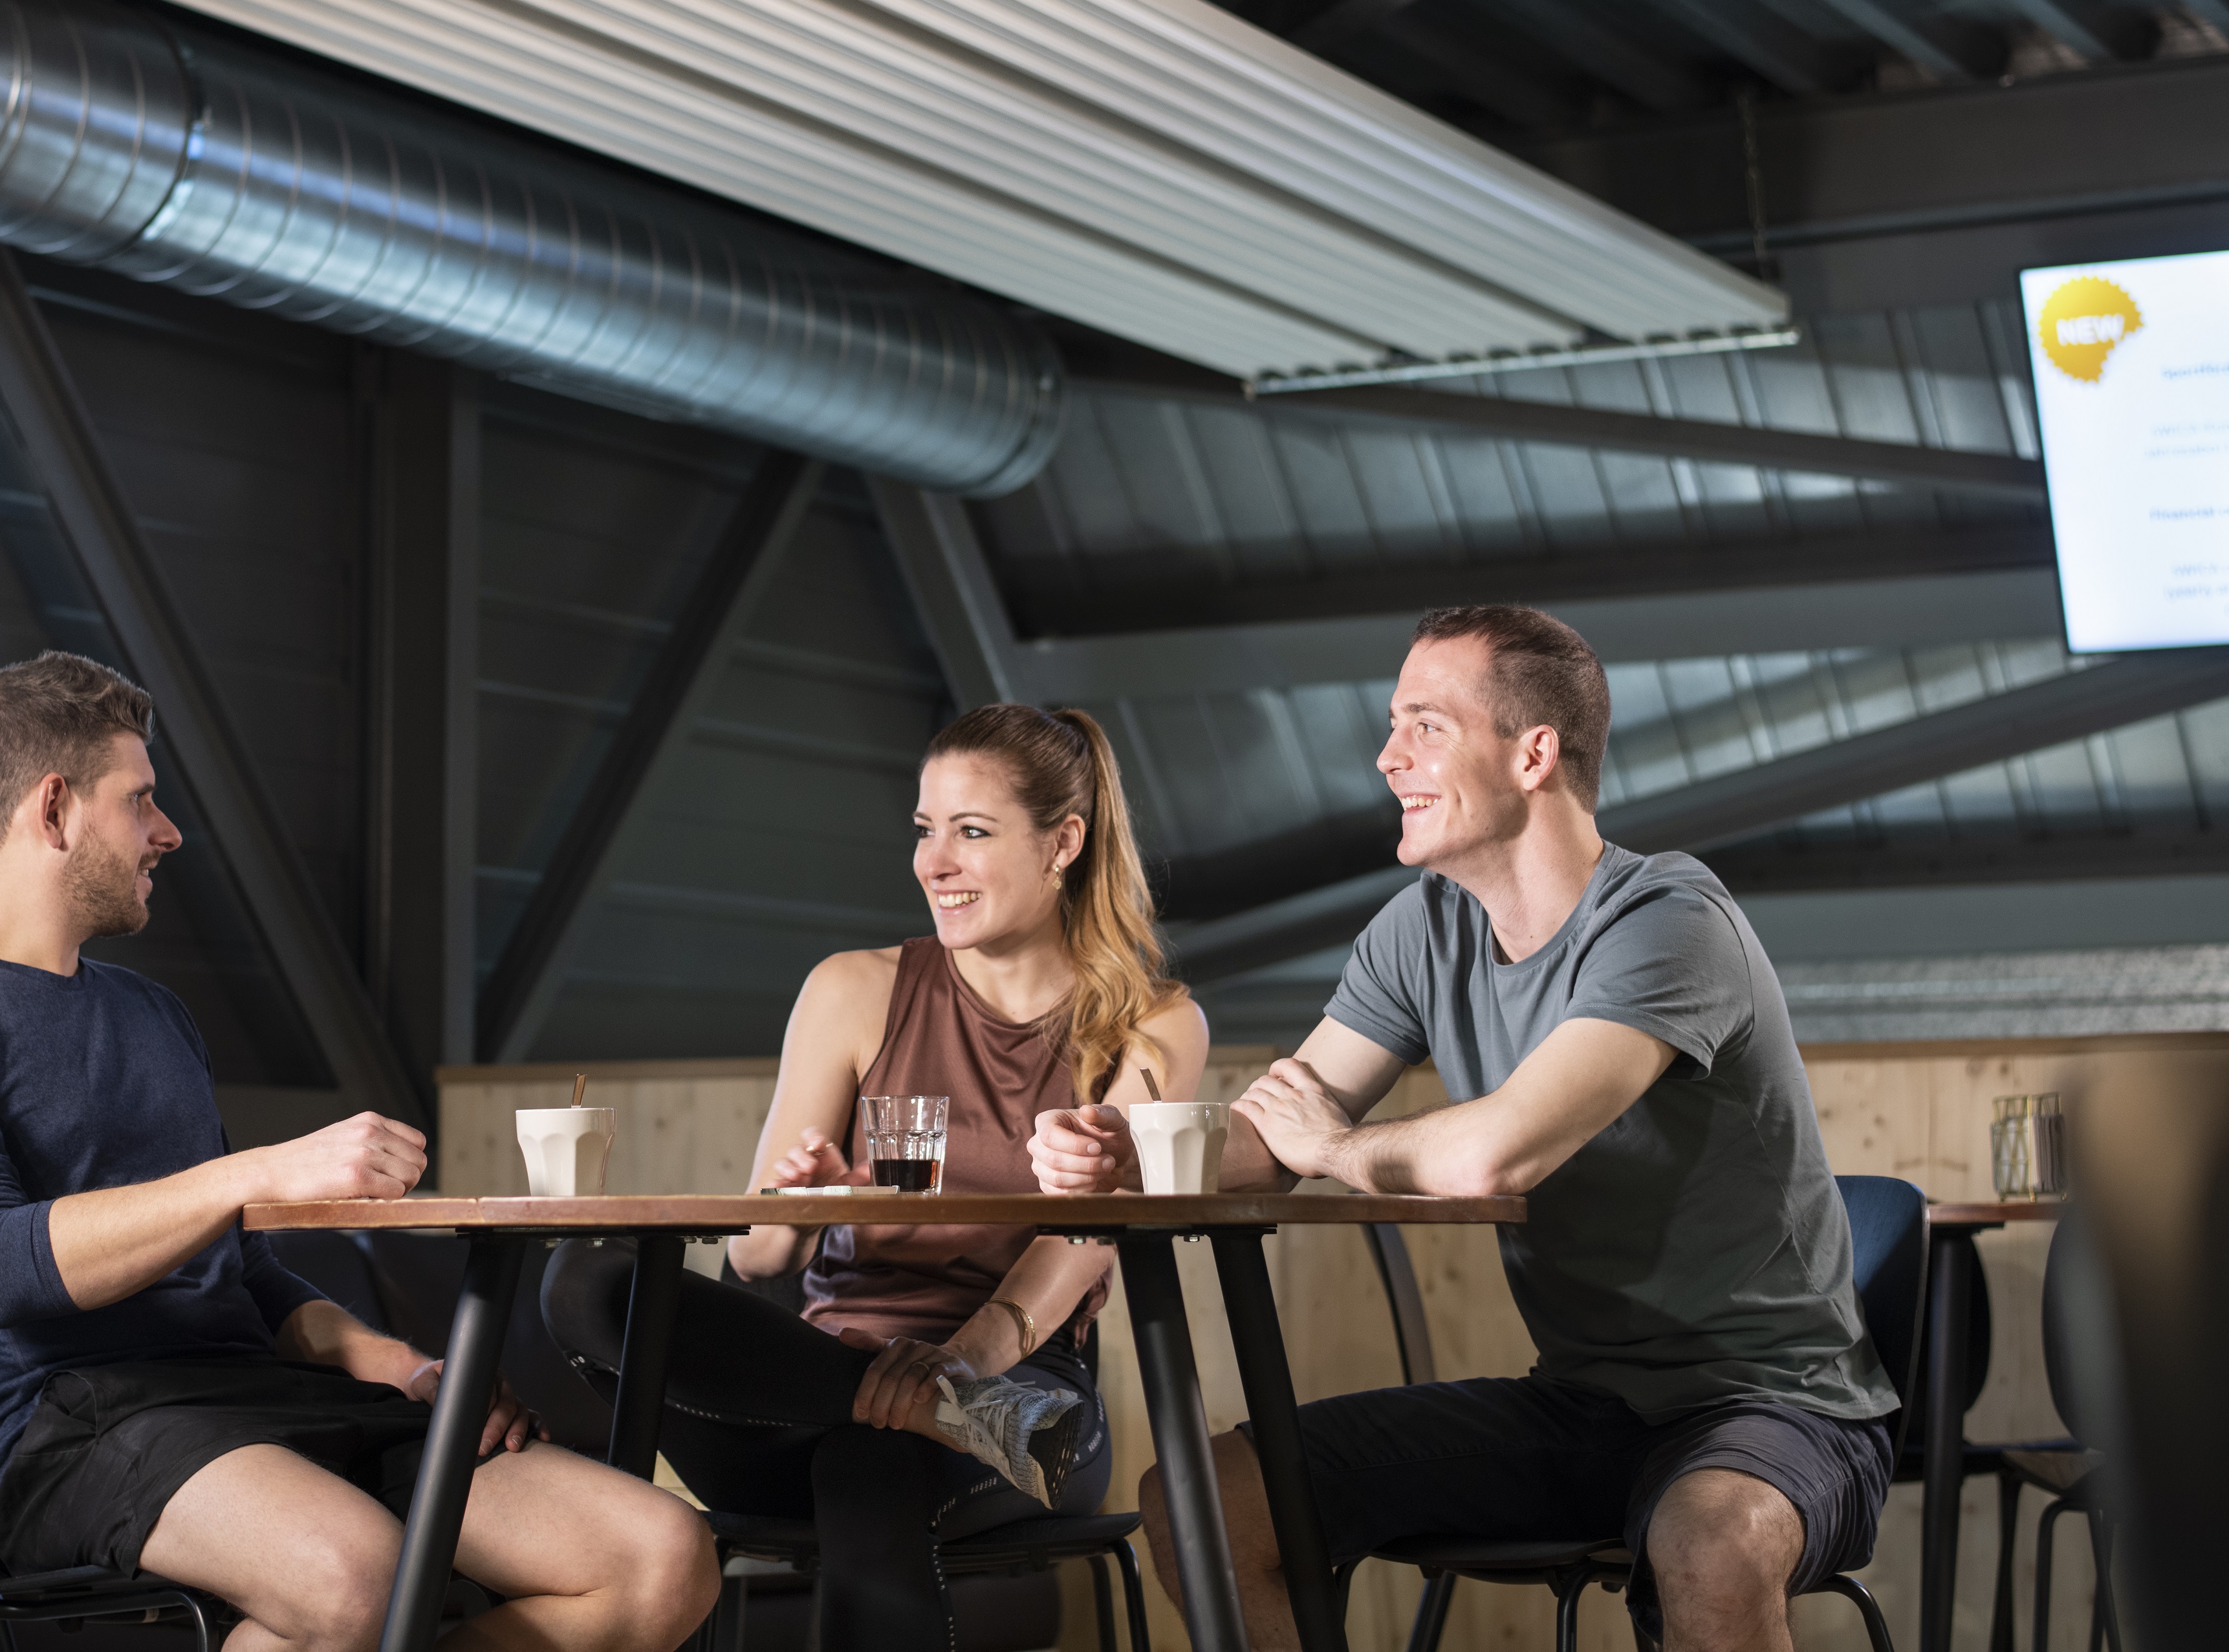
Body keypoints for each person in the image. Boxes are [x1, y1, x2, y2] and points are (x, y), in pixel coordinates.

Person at [1032, 605, 1897, 1652]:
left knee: (1709, 1543)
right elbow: (1277, 1131)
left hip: (1777, 1411)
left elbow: (1499, 1152)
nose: (1388, 756)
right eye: (1394, 725)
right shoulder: (1422, 926)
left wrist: (1340, 1151)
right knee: (1206, 1497)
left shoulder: (1669, 921)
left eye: (1425, 726)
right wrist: (1139, 1150)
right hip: (1585, 1410)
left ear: (1533, 754)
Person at [0, 653, 715, 1652]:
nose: (170, 832)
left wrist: (405, 1369)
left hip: (269, 1404)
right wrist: (261, 1170)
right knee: (355, 1578)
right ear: (55, 808)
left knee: (661, 1559)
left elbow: (242, 1274)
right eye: (141, 800)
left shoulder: (154, 1018)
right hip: (64, 1432)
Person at [543, 703, 1209, 1651]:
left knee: (874, 1462)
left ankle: (923, 1409)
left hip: (1019, 1405)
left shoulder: (1153, 1022)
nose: (932, 861)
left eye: (971, 832)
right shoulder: (853, 989)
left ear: (1064, 842)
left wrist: (962, 1366)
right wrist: (804, 1206)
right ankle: (888, 1400)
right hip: (798, 1388)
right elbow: (763, 1251)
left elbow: (1084, 1237)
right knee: (585, 1282)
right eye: (926, 829)